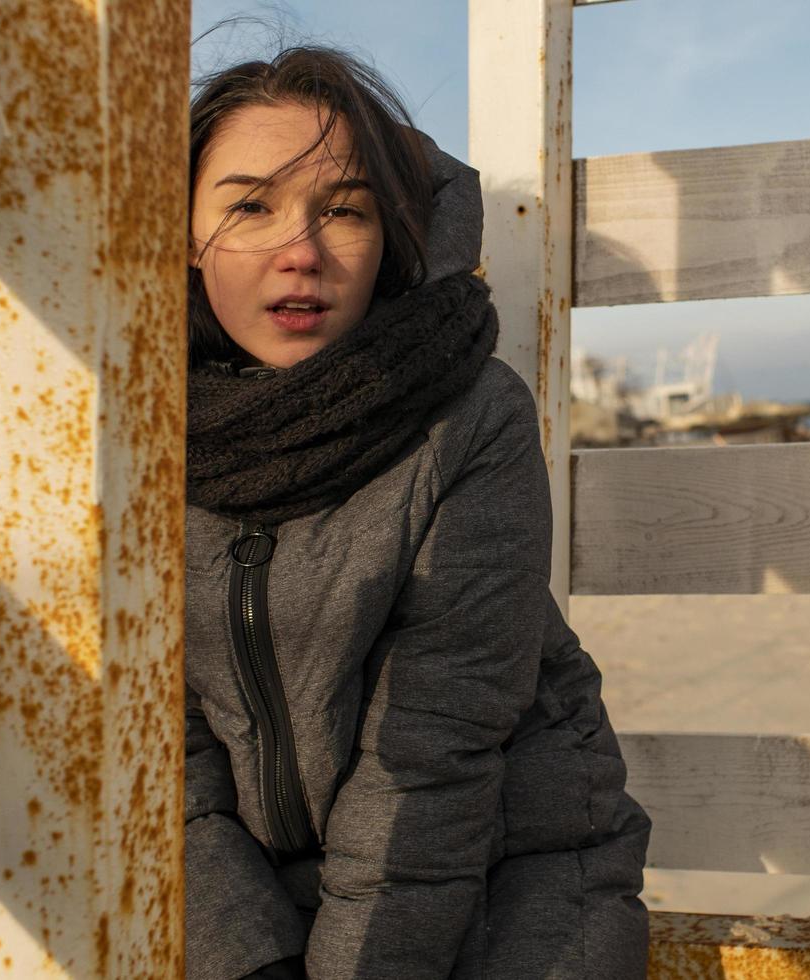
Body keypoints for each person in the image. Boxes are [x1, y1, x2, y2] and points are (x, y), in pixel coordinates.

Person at [182, 46, 650, 980]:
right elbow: (158, 750)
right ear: (180, 232)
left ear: (392, 237)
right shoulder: (127, 428)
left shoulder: (468, 413)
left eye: (344, 210)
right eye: (248, 206)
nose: (300, 251)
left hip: (511, 874)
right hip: (261, 897)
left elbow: (435, 750)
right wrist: (251, 958)